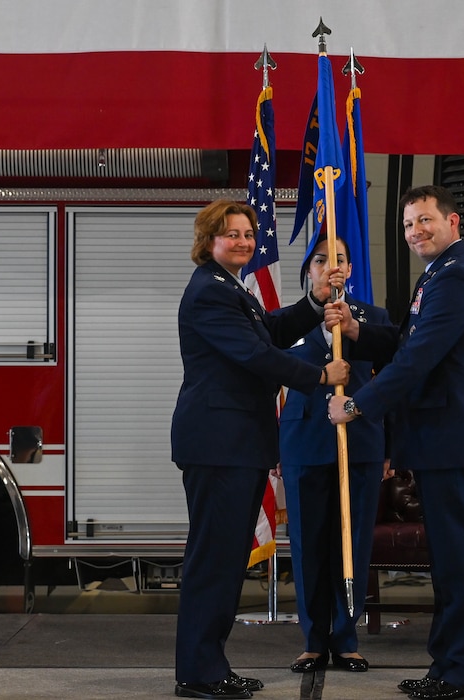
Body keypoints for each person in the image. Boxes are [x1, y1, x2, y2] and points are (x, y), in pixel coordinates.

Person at [327, 185, 464, 700]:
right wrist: (357, 329)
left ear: (455, 222)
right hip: (442, 441)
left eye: (425, 220)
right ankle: (449, 665)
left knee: (463, 563)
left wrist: (358, 405)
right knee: (451, 563)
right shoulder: (439, 274)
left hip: (456, 441)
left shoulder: (455, 278)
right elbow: (406, 340)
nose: (416, 232)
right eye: (409, 224)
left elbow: (416, 360)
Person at [170, 199, 349, 700]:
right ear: (209, 241)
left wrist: (314, 301)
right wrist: (319, 375)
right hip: (219, 444)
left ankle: (208, 667)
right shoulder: (210, 291)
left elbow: (267, 332)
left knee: (227, 559)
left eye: (249, 233)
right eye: (233, 234)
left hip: (237, 445)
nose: (245, 241)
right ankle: (199, 673)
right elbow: (254, 355)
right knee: (215, 560)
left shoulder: (231, 290)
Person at [278, 235, 391, 674]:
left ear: (350, 269)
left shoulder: (373, 320)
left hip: (360, 442)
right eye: (321, 259)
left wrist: (390, 449)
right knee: (307, 545)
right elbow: (271, 385)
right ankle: (312, 640)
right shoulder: (290, 322)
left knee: (353, 542)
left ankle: (346, 638)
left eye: (339, 258)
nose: (331, 266)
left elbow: (391, 384)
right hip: (304, 442)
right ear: (309, 270)